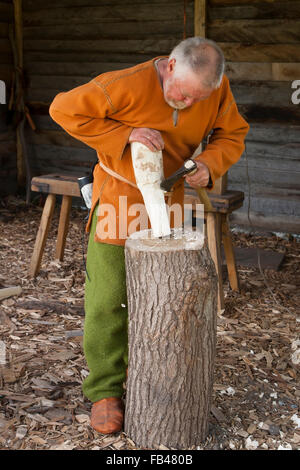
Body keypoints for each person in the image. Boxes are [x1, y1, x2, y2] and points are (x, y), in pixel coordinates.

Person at [49, 36, 249, 434]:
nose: (188, 104)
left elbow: (232, 133)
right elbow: (63, 110)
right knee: (108, 297)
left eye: (198, 99)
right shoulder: (122, 85)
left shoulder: (215, 87)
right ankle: (105, 391)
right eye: (182, 94)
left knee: (169, 295)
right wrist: (125, 134)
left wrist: (210, 163)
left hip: (171, 195)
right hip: (119, 195)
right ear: (170, 67)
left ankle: (161, 377)